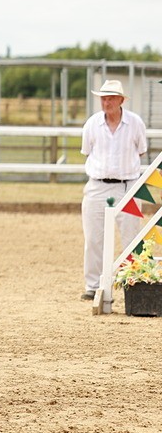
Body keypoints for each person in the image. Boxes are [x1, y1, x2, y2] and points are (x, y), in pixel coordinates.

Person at [79, 79, 147, 301]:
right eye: (103, 98)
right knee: (93, 238)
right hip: (97, 185)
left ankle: (134, 282)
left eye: (110, 98)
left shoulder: (135, 123)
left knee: (131, 237)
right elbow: (88, 151)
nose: (106, 102)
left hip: (128, 185)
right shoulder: (92, 124)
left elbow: (141, 151)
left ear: (120, 100)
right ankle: (93, 285)